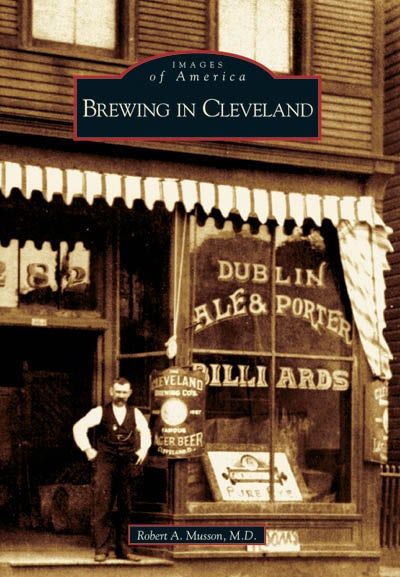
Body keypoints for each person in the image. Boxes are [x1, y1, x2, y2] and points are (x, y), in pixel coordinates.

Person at [73, 377, 151, 563]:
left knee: (126, 506)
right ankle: (101, 549)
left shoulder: (135, 413)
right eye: (118, 392)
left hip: (126, 465)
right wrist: (87, 449)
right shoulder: (100, 412)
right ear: (111, 392)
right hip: (105, 463)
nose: (121, 396)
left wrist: (143, 450)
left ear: (129, 393)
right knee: (103, 506)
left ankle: (124, 550)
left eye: (124, 392)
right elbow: (79, 427)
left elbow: (146, 432)